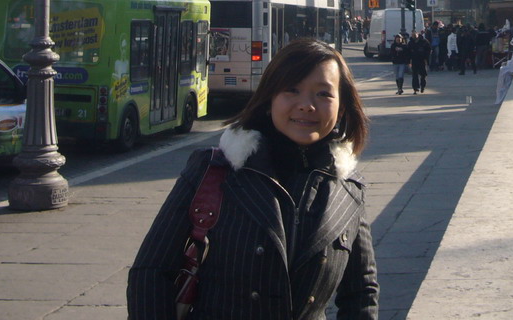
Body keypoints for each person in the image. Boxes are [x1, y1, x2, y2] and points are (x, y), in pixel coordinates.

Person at [127, 39, 378, 320]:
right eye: (291, 90)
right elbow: (151, 272)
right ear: (269, 99)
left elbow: (361, 293)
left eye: (323, 94)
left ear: (341, 108)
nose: (306, 105)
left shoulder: (348, 189)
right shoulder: (215, 171)